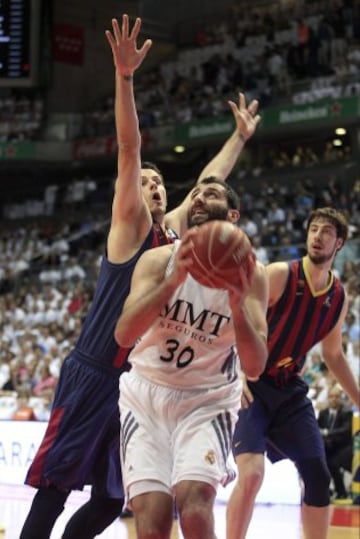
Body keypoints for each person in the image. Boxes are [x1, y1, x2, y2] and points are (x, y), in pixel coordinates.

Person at [19, 14, 261, 539]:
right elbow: (130, 150)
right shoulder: (130, 230)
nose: (151, 186)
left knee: (111, 502)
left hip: (141, 383)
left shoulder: (175, 239)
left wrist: (239, 139)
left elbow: (208, 185)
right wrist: (125, 79)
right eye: (143, 182)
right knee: (55, 489)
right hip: (95, 371)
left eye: (158, 183)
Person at [114, 177, 269, 539]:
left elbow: (256, 366)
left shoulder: (252, 275)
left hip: (207, 399)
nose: (198, 198)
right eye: (195, 193)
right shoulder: (158, 260)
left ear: (232, 215)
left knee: (195, 507)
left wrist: (235, 304)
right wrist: (172, 283)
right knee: (151, 526)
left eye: (210, 194)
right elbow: (123, 334)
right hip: (145, 396)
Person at [227, 207, 360, 539]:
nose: (317, 236)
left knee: (318, 474)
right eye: (313, 229)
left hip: (290, 390)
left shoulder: (338, 296)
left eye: (326, 232)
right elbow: (235, 320)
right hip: (253, 384)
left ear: (339, 243)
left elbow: (333, 354)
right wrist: (238, 371)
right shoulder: (279, 274)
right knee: (252, 474)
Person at [318, 385, 353, 502]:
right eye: (331, 396)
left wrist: (327, 433)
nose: (334, 399)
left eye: (336, 396)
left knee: (332, 463)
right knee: (318, 461)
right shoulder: (323, 413)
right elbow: (317, 428)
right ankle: (325, 490)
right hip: (327, 447)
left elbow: (345, 430)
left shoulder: (347, 413)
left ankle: (341, 491)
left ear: (341, 398)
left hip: (343, 447)